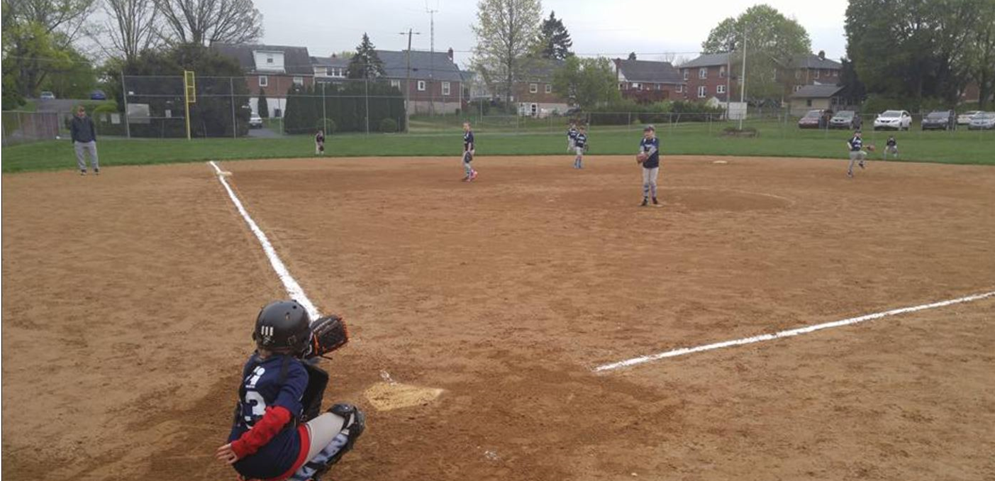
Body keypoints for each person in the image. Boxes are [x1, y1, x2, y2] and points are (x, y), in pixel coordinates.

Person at [215, 301, 364, 481]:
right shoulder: (296, 372)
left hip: (241, 460)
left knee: (277, 411)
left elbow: (275, 367)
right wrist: (244, 446)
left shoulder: (252, 364)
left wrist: (239, 448)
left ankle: (250, 477)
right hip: (272, 462)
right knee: (351, 417)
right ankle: (299, 477)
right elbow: (277, 416)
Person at [70, 106, 99, 175]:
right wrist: (74, 140)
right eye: (80, 111)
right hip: (79, 141)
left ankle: (95, 168)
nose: (81, 113)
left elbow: (93, 129)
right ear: (77, 112)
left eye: (82, 111)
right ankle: (83, 169)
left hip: (89, 140)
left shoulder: (89, 120)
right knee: (80, 156)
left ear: (84, 112)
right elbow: (73, 131)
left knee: (93, 155)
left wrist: (94, 139)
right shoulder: (74, 121)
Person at [637, 125, 661, 207]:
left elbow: (653, 149)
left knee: (652, 182)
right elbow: (641, 149)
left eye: (649, 132)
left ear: (653, 132)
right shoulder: (643, 140)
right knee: (646, 182)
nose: (647, 133)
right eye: (645, 132)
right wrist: (642, 154)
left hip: (654, 164)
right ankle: (645, 199)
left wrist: (645, 156)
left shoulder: (656, 140)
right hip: (646, 165)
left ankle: (654, 197)